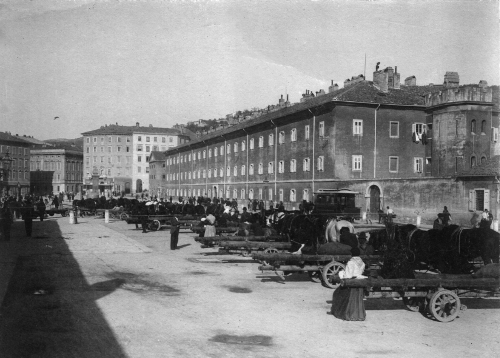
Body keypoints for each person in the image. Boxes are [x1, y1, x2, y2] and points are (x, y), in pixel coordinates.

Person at [331, 247, 367, 321]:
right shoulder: (362, 263)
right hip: (359, 282)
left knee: (337, 293)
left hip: (351, 283)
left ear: (351, 254)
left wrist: (341, 273)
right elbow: (359, 273)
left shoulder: (351, 262)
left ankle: (347, 313)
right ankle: (358, 315)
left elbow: (348, 276)